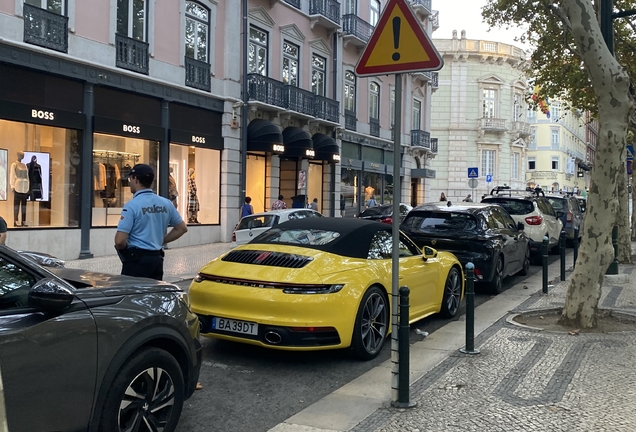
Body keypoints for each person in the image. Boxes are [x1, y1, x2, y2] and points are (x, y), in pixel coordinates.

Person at [114, 164, 188, 280]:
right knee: (153, 295)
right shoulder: (166, 203)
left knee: (133, 296)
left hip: (136, 261)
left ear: (136, 179)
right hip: (156, 260)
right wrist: (162, 240)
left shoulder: (131, 206)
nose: (130, 183)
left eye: (130, 179)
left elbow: (119, 241)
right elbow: (182, 228)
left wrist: (126, 251)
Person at [10, 151, 29, 227]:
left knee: (24, 206)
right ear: (18, 155)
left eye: (23, 155)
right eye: (21, 155)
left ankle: (23, 220)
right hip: (17, 186)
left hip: (24, 187)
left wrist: (28, 186)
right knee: (16, 205)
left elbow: (27, 176)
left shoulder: (24, 165)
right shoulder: (14, 165)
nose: (22, 156)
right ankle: (16, 220)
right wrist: (12, 186)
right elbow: (12, 175)